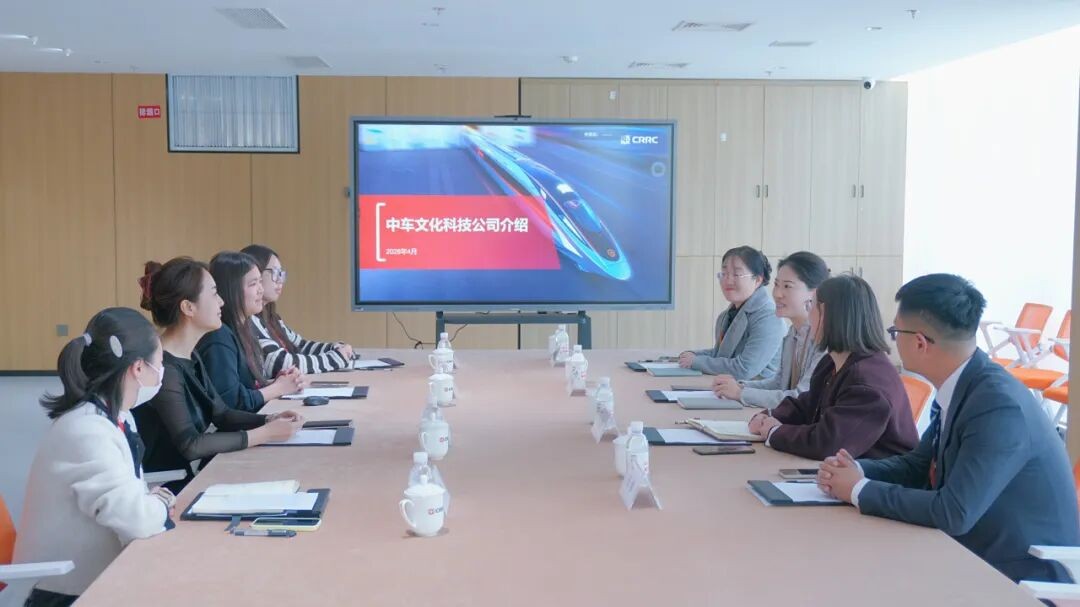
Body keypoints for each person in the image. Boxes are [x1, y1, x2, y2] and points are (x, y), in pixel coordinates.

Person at [817, 274, 1080, 583]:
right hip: (973, 551)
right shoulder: (966, 385)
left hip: (1020, 575)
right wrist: (856, 471)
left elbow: (954, 512)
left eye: (895, 332)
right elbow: (917, 466)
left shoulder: (998, 406)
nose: (893, 341)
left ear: (920, 342)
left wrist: (858, 489)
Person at [14, 308, 173, 606]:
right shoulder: (87, 429)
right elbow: (136, 520)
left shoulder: (116, 417)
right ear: (139, 368)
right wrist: (160, 504)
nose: (162, 372)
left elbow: (129, 505)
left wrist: (146, 503)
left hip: (99, 581)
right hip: (65, 595)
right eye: (160, 363)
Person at [134, 257, 305, 493]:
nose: (222, 302)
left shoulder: (190, 356)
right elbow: (191, 444)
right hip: (168, 488)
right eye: (214, 294)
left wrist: (269, 420)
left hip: (193, 475)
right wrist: (264, 433)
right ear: (188, 308)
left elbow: (222, 414)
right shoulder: (165, 369)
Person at [748, 274, 918, 460]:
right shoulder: (832, 362)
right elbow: (809, 406)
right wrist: (770, 415)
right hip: (843, 470)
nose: (808, 316)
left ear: (828, 315)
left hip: (874, 475)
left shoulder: (867, 379)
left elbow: (828, 443)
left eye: (811, 307)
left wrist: (775, 431)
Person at [712, 251, 829, 409]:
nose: (777, 294)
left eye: (787, 286)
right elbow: (779, 384)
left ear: (814, 293)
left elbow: (801, 397)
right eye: (776, 285)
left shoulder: (824, 339)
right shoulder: (793, 333)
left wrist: (740, 393)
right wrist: (739, 386)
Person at [196, 251, 305, 412]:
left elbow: (246, 388)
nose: (261, 290)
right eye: (253, 284)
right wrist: (278, 388)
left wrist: (276, 382)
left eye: (260, 282)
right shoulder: (218, 336)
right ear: (231, 289)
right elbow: (232, 402)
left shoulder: (245, 327)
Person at [241, 244, 354, 377]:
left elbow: (299, 346)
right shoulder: (247, 319)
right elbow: (279, 363)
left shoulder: (271, 317)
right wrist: (335, 358)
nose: (280, 280)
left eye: (281, 274)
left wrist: (335, 348)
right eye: (274, 273)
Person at [679, 246, 783, 378]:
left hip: (754, 388)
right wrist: (693, 355)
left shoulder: (769, 317)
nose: (728, 280)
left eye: (736, 274)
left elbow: (745, 369)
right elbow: (721, 355)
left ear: (757, 280)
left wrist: (696, 362)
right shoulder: (726, 315)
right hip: (729, 386)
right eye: (724, 274)